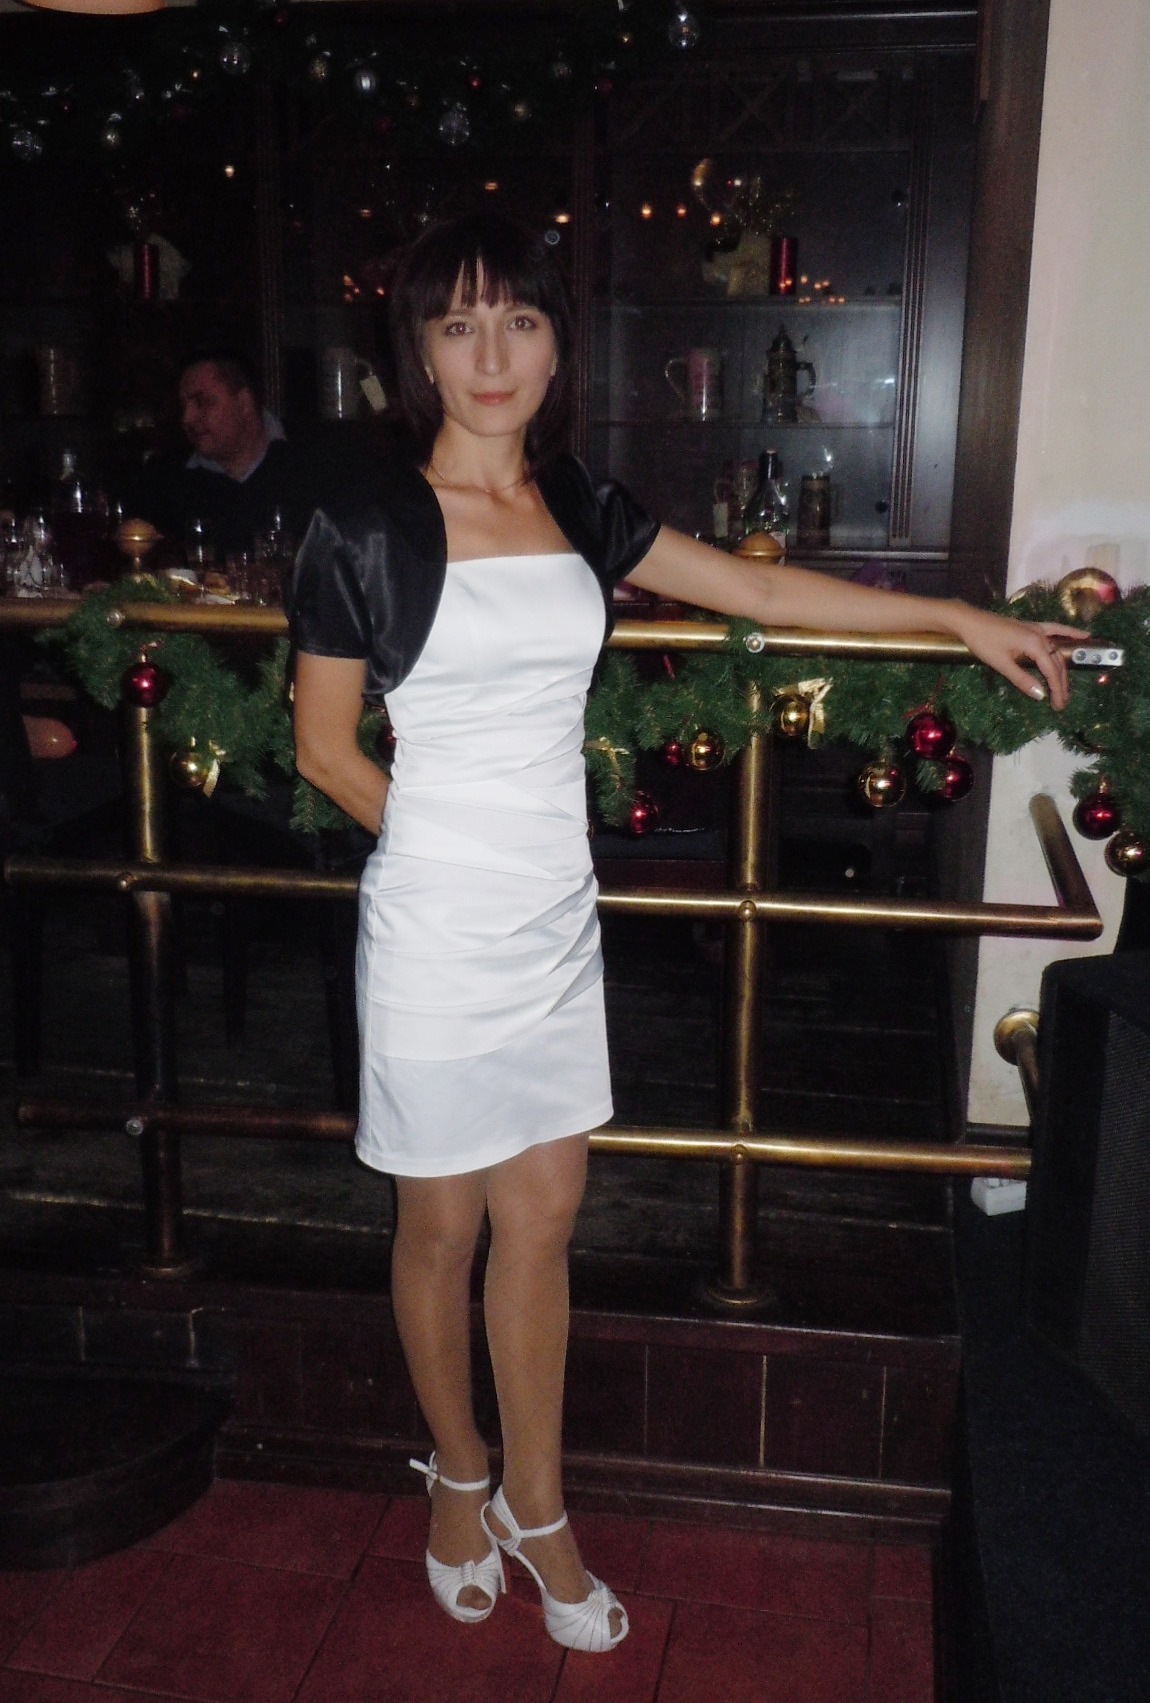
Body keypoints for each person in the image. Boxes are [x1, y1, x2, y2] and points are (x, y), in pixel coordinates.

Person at [288, 212, 1082, 1654]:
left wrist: (958, 619)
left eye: (518, 320)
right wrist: (442, 851)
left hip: (555, 921)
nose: (490, 353)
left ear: (555, 347)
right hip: (437, 922)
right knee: (439, 1222)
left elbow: (757, 588)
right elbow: (326, 747)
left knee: (542, 1221)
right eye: (458, 324)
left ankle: (538, 1499)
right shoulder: (364, 523)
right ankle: (457, 1470)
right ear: (418, 353)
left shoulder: (576, 501)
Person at [126, 350, 310, 560]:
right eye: (183, 406)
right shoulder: (164, 479)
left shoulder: (310, 463)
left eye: (201, 402)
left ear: (244, 403)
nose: (187, 418)